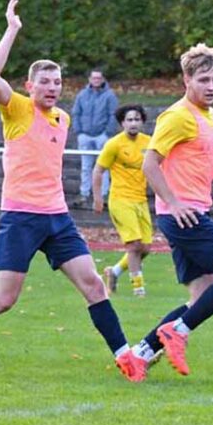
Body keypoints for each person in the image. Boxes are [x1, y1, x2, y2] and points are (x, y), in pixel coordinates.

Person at [0, 0, 146, 382]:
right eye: (44, 82)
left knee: (94, 284)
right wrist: (12, 29)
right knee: (3, 300)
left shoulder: (62, 118)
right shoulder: (18, 108)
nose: (52, 88)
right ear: (30, 86)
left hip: (57, 218)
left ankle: (126, 357)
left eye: (58, 82)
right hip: (21, 218)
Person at [128, 43, 213, 379]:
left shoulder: (211, 115)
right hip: (184, 217)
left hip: (189, 215)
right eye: (204, 79)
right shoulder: (176, 116)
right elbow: (150, 163)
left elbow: (205, 159)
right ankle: (179, 332)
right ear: (186, 79)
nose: (212, 86)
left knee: (201, 298)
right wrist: (173, 202)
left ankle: (139, 354)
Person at [93, 104, 152, 297]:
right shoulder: (114, 144)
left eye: (136, 119)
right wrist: (97, 198)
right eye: (129, 120)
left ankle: (114, 271)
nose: (133, 123)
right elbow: (98, 170)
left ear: (142, 122)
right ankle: (138, 288)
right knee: (134, 245)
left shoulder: (149, 143)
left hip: (140, 200)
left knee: (145, 248)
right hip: (120, 199)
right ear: (122, 123)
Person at [71, 69, 118, 207]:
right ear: (89, 79)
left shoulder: (110, 96)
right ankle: (84, 193)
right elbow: (76, 113)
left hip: (102, 136)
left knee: (103, 167)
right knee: (86, 167)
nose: (96, 80)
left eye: (99, 78)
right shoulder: (82, 95)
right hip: (85, 135)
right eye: (94, 78)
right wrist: (79, 131)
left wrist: (107, 133)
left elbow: (113, 115)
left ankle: (103, 194)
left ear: (103, 79)